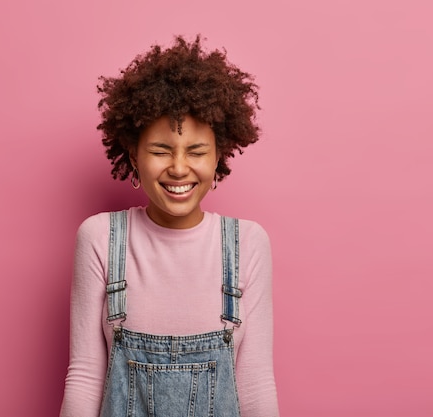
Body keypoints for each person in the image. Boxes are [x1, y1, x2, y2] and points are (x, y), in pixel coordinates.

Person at [59, 35, 279, 416]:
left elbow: (256, 385)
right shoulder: (100, 237)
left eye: (196, 151)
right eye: (160, 151)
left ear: (218, 157)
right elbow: (84, 378)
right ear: (133, 155)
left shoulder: (247, 243)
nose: (178, 168)